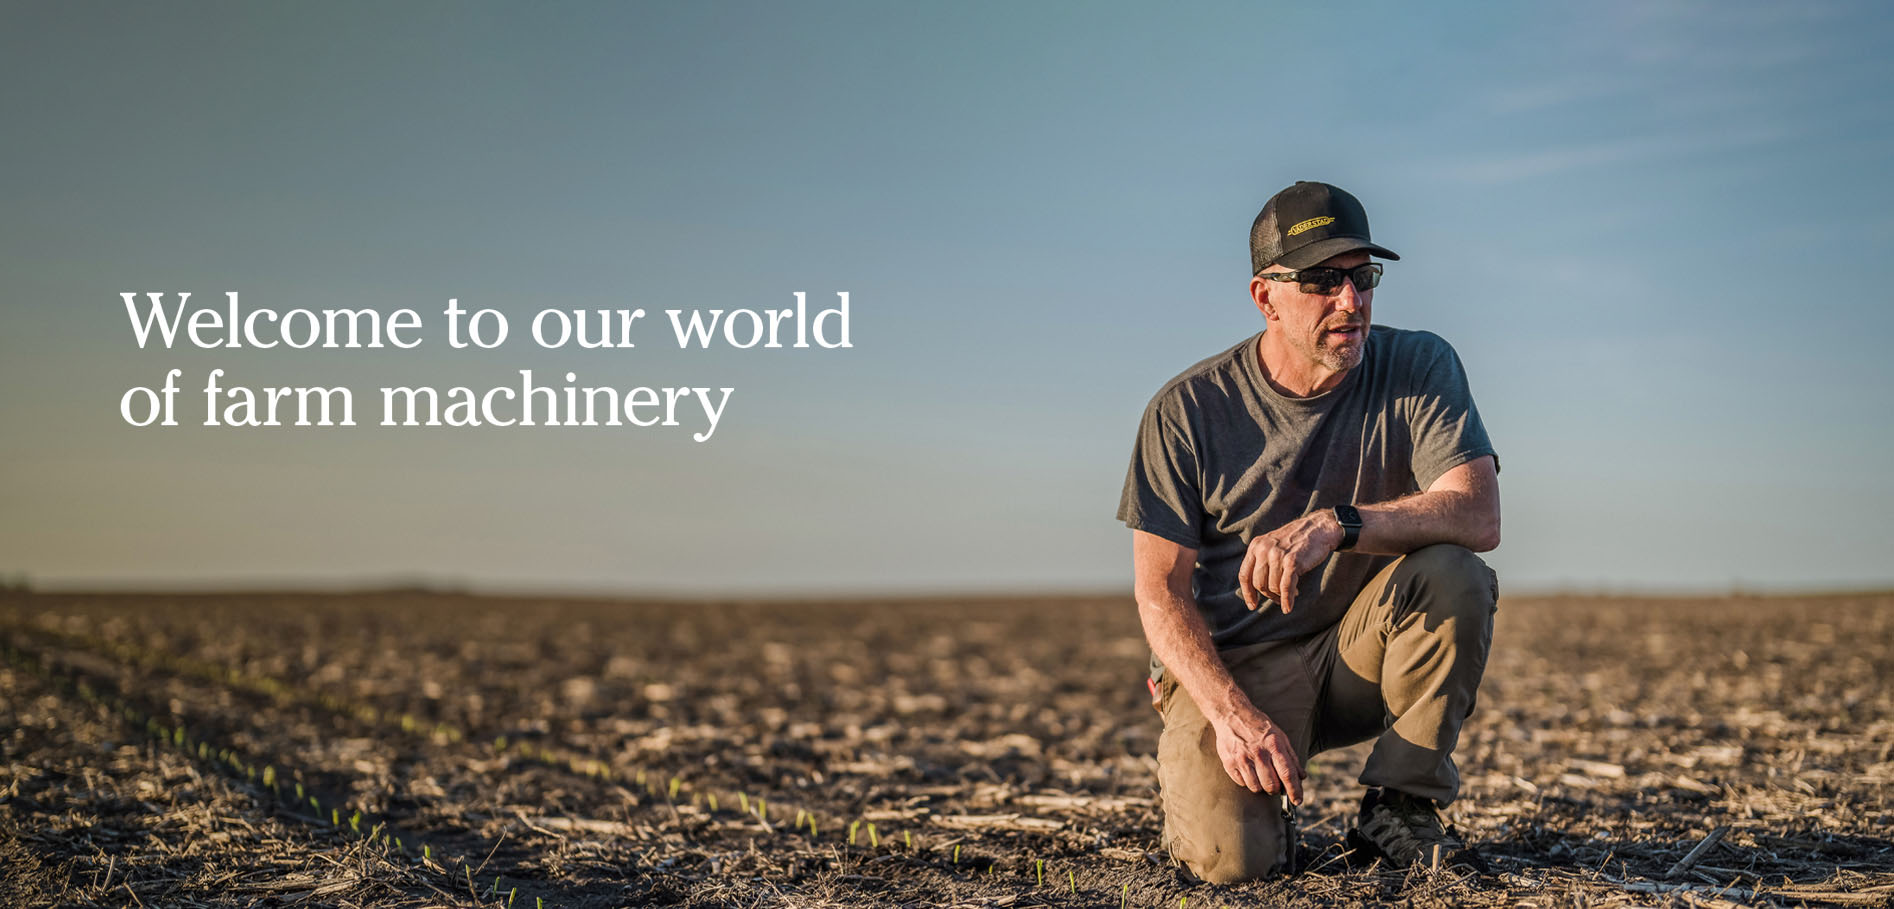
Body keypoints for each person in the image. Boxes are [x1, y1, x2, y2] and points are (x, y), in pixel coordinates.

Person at [1117, 181, 1502, 883]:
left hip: (1358, 652)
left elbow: (1478, 513)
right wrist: (1229, 711)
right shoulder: (1186, 412)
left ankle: (1401, 808)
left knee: (1455, 572)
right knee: (1231, 864)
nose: (1350, 302)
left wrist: (1340, 524)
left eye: (1362, 277)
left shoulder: (1419, 366)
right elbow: (1159, 590)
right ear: (1266, 297)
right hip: (1241, 667)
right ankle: (1240, 804)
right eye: (1324, 281)